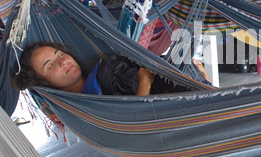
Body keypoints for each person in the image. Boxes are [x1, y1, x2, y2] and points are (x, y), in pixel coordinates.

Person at [12, 41, 190, 96]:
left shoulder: (106, 72)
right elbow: (136, 124)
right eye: (50, 66)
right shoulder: (83, 108)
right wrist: (144, 80)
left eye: (60, 54)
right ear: (43, 83)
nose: (63, 62)